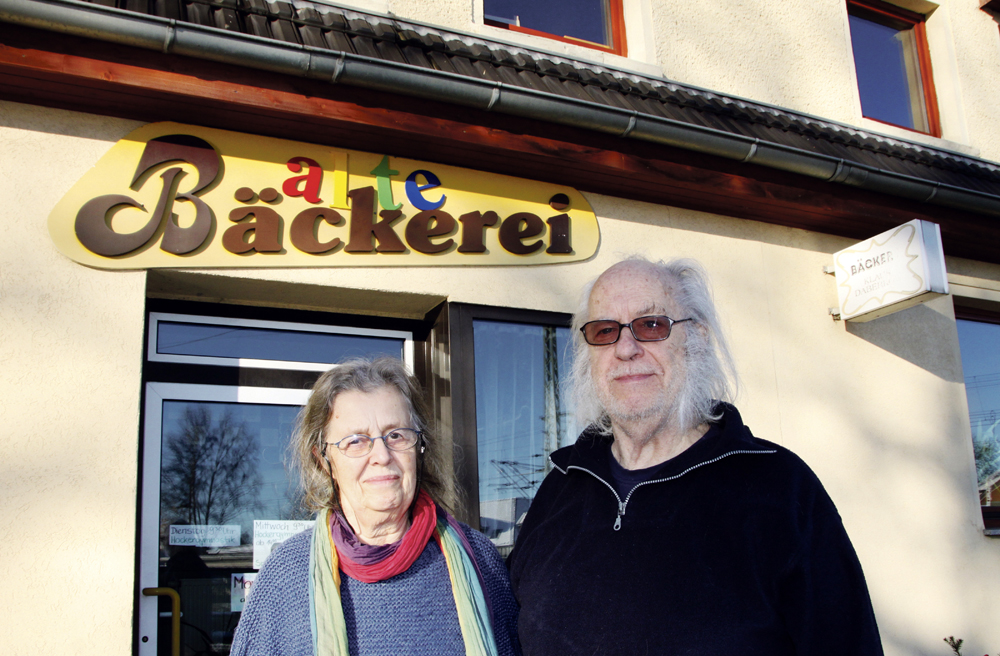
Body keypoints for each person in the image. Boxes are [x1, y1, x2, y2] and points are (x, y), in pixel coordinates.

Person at [508, 257, 883, 656]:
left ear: (698, 339)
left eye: (651, 325)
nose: (625, 348)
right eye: (605, 330)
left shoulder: (781, 491)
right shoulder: (559, 489)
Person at [232, 357, 520, 656]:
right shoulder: (285, 577)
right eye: (356, 441)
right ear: (324, 460)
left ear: (419, 449)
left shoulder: (480, 560)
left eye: (396, 435)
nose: (382, 455)